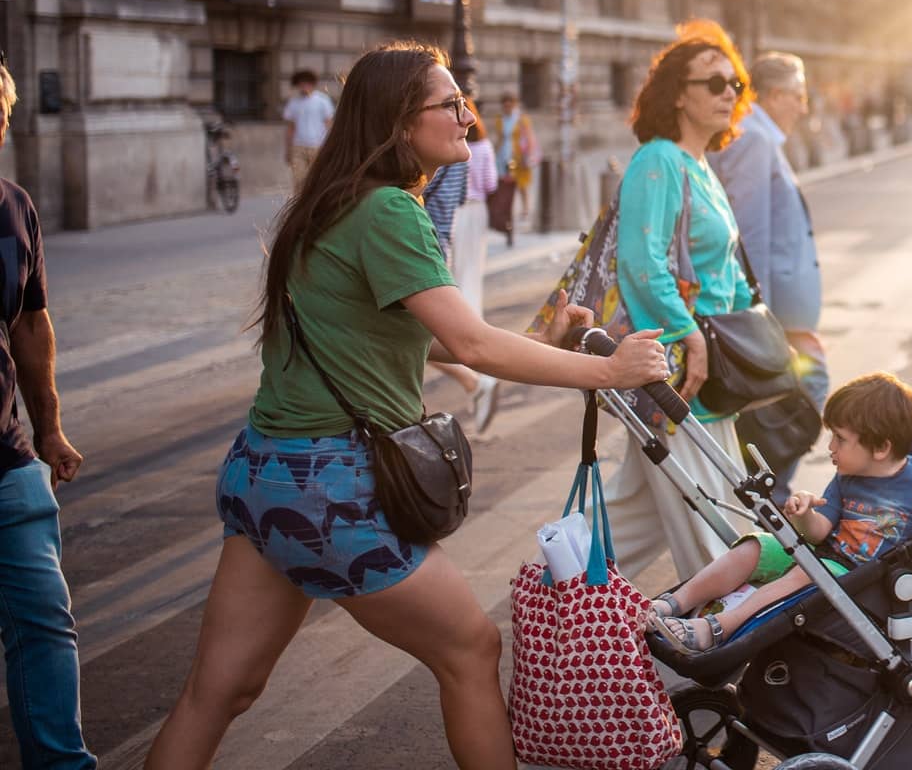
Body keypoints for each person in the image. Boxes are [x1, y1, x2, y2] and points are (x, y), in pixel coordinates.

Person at [146, 41, 669, 770]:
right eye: (449, 104)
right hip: (331, 489)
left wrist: (537, 340)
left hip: (264, 477)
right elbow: (472, 345)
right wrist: (608, 370)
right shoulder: (390, 211)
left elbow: (387, 342)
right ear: (399, 122)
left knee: (218, 692)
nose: (468, 115)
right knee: (471, 648)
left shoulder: (327, 204)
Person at [601, 22, 758, 580]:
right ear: (677, 94)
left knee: (626, 524)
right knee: (717, 530)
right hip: (677, 373)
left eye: (734, 83)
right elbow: (641, 265)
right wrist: (688, 334)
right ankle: (725, 639)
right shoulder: (659, 160)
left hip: (706, 372)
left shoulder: (699, 166)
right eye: (713, 82)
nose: (728, 93)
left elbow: (722, 270)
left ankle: (559, 598)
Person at [649, 372, 912, 653]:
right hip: (823, 556)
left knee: (806, 572)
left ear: (881, 448)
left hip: (863, 581)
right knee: (757, 545)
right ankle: (673, 603)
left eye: (840, 439)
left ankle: (716, 629)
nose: (831, 447)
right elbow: (820, 531)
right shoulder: (847, 477)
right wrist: (805, 512)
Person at [0, 62, 95, 768]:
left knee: (46, 624)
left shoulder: (13, 205)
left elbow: (32, 325)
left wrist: (49, 427)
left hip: (7, 460)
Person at [711, 52, 827, 493]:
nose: (804, 106)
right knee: (805, 392)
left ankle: (763, 497)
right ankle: (767, 501)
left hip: (783, 314)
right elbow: (750, 235)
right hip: (773, 315)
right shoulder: (754, 139)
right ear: (775, 95)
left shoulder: (763, 138)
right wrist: (761, 321)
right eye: (798, 95)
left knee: (787, 404)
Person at [420, 115, 501, 433]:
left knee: (419, 333)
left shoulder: (445, 158)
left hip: (434, 237)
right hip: (445, 233)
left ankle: (474, 381)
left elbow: (473, 347)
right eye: (451, 107)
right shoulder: (460, 157)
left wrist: (604, 371)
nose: (467, 117)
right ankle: (474, 381)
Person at [282, 69, 335, 193]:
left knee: (317, 180)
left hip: (318, 146)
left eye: (306, 83)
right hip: (298, 147)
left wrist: (330, 146)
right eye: (301, 83)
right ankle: (299, 206)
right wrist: (288, 149)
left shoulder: (322, 100)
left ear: (312, 83)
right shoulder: (293, 103)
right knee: (299, 180)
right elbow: (290, 128)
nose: (303, 86)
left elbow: (329, 125)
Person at [497, 93, 539, 229]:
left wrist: (528, 155)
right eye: (505, 105)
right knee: (507, 183)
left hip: (519, 155)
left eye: (510, 105)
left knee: (522, 184)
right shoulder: (500, 119)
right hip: (505, 154)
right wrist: (495, 153)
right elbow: (500, 137)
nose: (507, 108)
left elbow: (529, 137)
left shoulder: (521, 119)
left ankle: (525, 209)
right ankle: (508, 210)